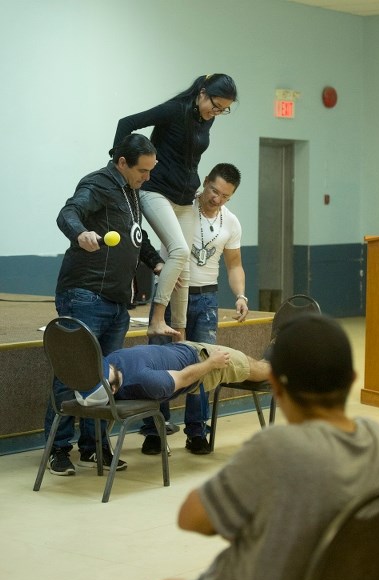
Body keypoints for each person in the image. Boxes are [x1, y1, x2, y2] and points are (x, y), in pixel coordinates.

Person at [154, 314, 379, 580]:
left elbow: (191, 518)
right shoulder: (377, 439)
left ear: (277, 388)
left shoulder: (277, 447)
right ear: (352, 380)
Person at [44, 133, 164, 476]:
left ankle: (94, 446)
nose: (147, 177)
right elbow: (69, 212)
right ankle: (59, 449)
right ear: (122, 163)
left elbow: (136, 237)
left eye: (151, 170)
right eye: (143, 170)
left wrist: (156, 262)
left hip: (115, 302)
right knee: (72, 372)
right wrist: (79, 233)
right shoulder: (98, 183)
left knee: (106, 378)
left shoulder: (130, 192)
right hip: (85, 294)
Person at [112, 74, 238, 340]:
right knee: (180, 251)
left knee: (186, 265)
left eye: (222, 110)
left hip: (184, 196)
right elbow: (128, 123)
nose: (216, 112)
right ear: (203, 92)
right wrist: (119, 166)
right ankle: (157, 318)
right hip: (156, 190)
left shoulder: (207, 118)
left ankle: (179, 333)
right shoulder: (175, 110)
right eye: (215, 105)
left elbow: (189, 155)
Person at [141, 163, 247, 456]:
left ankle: (197, 431)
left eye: (226, 196)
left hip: (206, 300)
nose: (217, 199)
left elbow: (234, 264)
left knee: (204, 364)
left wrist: (240, 295)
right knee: (159, 361)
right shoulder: (180, 210)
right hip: (173, 293)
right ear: (205, 182)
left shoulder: (231, 222)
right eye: (214, 191)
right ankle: (155, 431)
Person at [76, 340, 269, 408]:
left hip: (181, 347)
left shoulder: (111, 363)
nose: (108, 365)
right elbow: (184, 377)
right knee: (259, 369)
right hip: (203, 363)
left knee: (255, 363)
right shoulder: (148, 382)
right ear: (114, 388)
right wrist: (211, 363)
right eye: (106, 372)